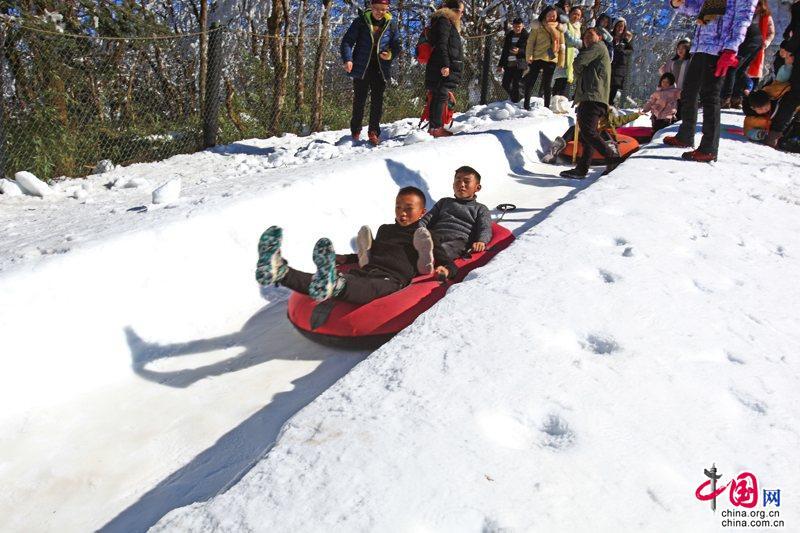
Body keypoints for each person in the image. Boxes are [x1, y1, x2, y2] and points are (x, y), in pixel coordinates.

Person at [254, 187, 455, 304]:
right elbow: (377, 250)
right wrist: (346, 259)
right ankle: (279, 271)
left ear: (422, 212)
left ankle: (334, 284)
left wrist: (445, 268)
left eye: (409, 209)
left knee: (363, 286)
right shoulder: (385, 229)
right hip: (367, 269)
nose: (402, 213)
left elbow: (446, 260)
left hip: (392, 280)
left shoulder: (425, 236)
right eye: (398, 207)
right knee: (331, 279)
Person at [663, 0, 759, 163]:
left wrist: (731, 49)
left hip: (720, 49)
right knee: (688, 92)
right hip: (700, 46)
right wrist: (678, 3)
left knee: (710, 97)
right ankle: (685, 135)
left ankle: (709, 148)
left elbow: (743, 18)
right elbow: (696, 7)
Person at [560, 27, 621, 179]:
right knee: (588, 135)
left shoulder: (598, 47)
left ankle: (612, 158)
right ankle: (582, 169)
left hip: (592, 97)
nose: (586, 38)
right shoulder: (600, 50)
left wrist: (579, 70)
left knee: (588, 132)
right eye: (584, 36)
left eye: (590, 35)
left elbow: (578, 62)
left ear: (599, 37)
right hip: (595, 97)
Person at [340, 0, 401, 146]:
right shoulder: (361, 21)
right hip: (362, 67)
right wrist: (348, 59)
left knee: (377, 101)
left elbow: (397, 45)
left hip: (380, 68)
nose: (379, 12)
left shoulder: (391, 24)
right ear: (371, 7)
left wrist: (390, 54)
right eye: (376, 9)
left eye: (383, 9)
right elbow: (347, 42)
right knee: (359, 100)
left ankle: (374, 131)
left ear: (387, 9)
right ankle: (355, 130)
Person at [414, 166, 493, 275]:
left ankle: (429, 263)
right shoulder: (444, 202)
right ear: (453, 185)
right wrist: (416, 230)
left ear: (477, 188)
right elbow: (426, 219)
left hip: (459, 240)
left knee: (444, 250)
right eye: (458, 180)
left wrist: (481, 241)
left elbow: (485, 228)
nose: (461, 184)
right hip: (436, 236)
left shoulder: (480, 208)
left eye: (466, 182)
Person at [541, 107, 641, 163]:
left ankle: (611, 151)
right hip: (586, 135)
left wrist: (637, 114)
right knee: (573, 129)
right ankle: (554, 151)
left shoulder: (609, 120)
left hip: (599, 137)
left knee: (603, 132)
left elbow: (623, 119)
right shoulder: (590, 116)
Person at [426, 0, 465, 138]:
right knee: (440, 94)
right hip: (441, 64)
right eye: (461, 11)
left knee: (439, 94)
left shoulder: (446, 21)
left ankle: (435, 127)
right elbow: (442, 44)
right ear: (453, 10)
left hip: (441, 63)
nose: (462, 14)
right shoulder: (444, 21)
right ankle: (436, 128)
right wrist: (445, 64)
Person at [719, 8, 764, 109]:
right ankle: (737, 98)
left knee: (732, 68)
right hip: (755, 39)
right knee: (739, 71)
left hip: (748, 39)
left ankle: (726, 99)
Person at [523, 6, 565, 110]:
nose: (551, 17)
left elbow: (562, 46)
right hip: (537, 57)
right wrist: (529, 56)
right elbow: (530, 42)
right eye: (549, 15)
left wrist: (561, 61)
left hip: (551, 59)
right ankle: (526, 105)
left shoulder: (559, 28)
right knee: (531, 81)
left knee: (547, 83)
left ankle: (546, 107)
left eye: (554, 16)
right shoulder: (538, 26)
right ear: (544, 15)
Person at [553, 6, 584, 97]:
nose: (576, 16)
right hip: (563, 56)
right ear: (570, 13)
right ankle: (555, 101)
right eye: (575, 13)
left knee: (567, 81)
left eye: (578, 15)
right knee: (560, 81)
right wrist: (582, 43)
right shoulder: (565, 24)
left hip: (572, 58)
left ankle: (562, 103)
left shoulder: (578, 28)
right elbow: (569, 40)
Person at [745, 0, 775, 87]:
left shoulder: (765, 16)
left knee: (753, 77)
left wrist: (766, 43)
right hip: (741, 49)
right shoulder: (742, 13)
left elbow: (771, 32)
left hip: (757, 51)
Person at [498, 18, 529, 103]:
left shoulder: (526, 36)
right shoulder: (509, 35)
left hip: (519, 64)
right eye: (515, 26)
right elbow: (504, 51)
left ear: (522, 26)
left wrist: (519, 51)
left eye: (519, 26)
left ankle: (517, 102)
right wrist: (500, 65)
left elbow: (529, 51)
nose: (517, 28)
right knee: (505, 84)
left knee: (517, 84)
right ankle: (513, 99)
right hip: (509, 63)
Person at [609, 17, 633, 105]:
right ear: (615, 26)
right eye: (618, 25)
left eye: (622, 26)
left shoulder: (625, 41)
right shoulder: (609, 37)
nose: (620, 28)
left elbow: (629, 51)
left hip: (618, 71)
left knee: (613, 92)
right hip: (608, 68)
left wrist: (622, 49)